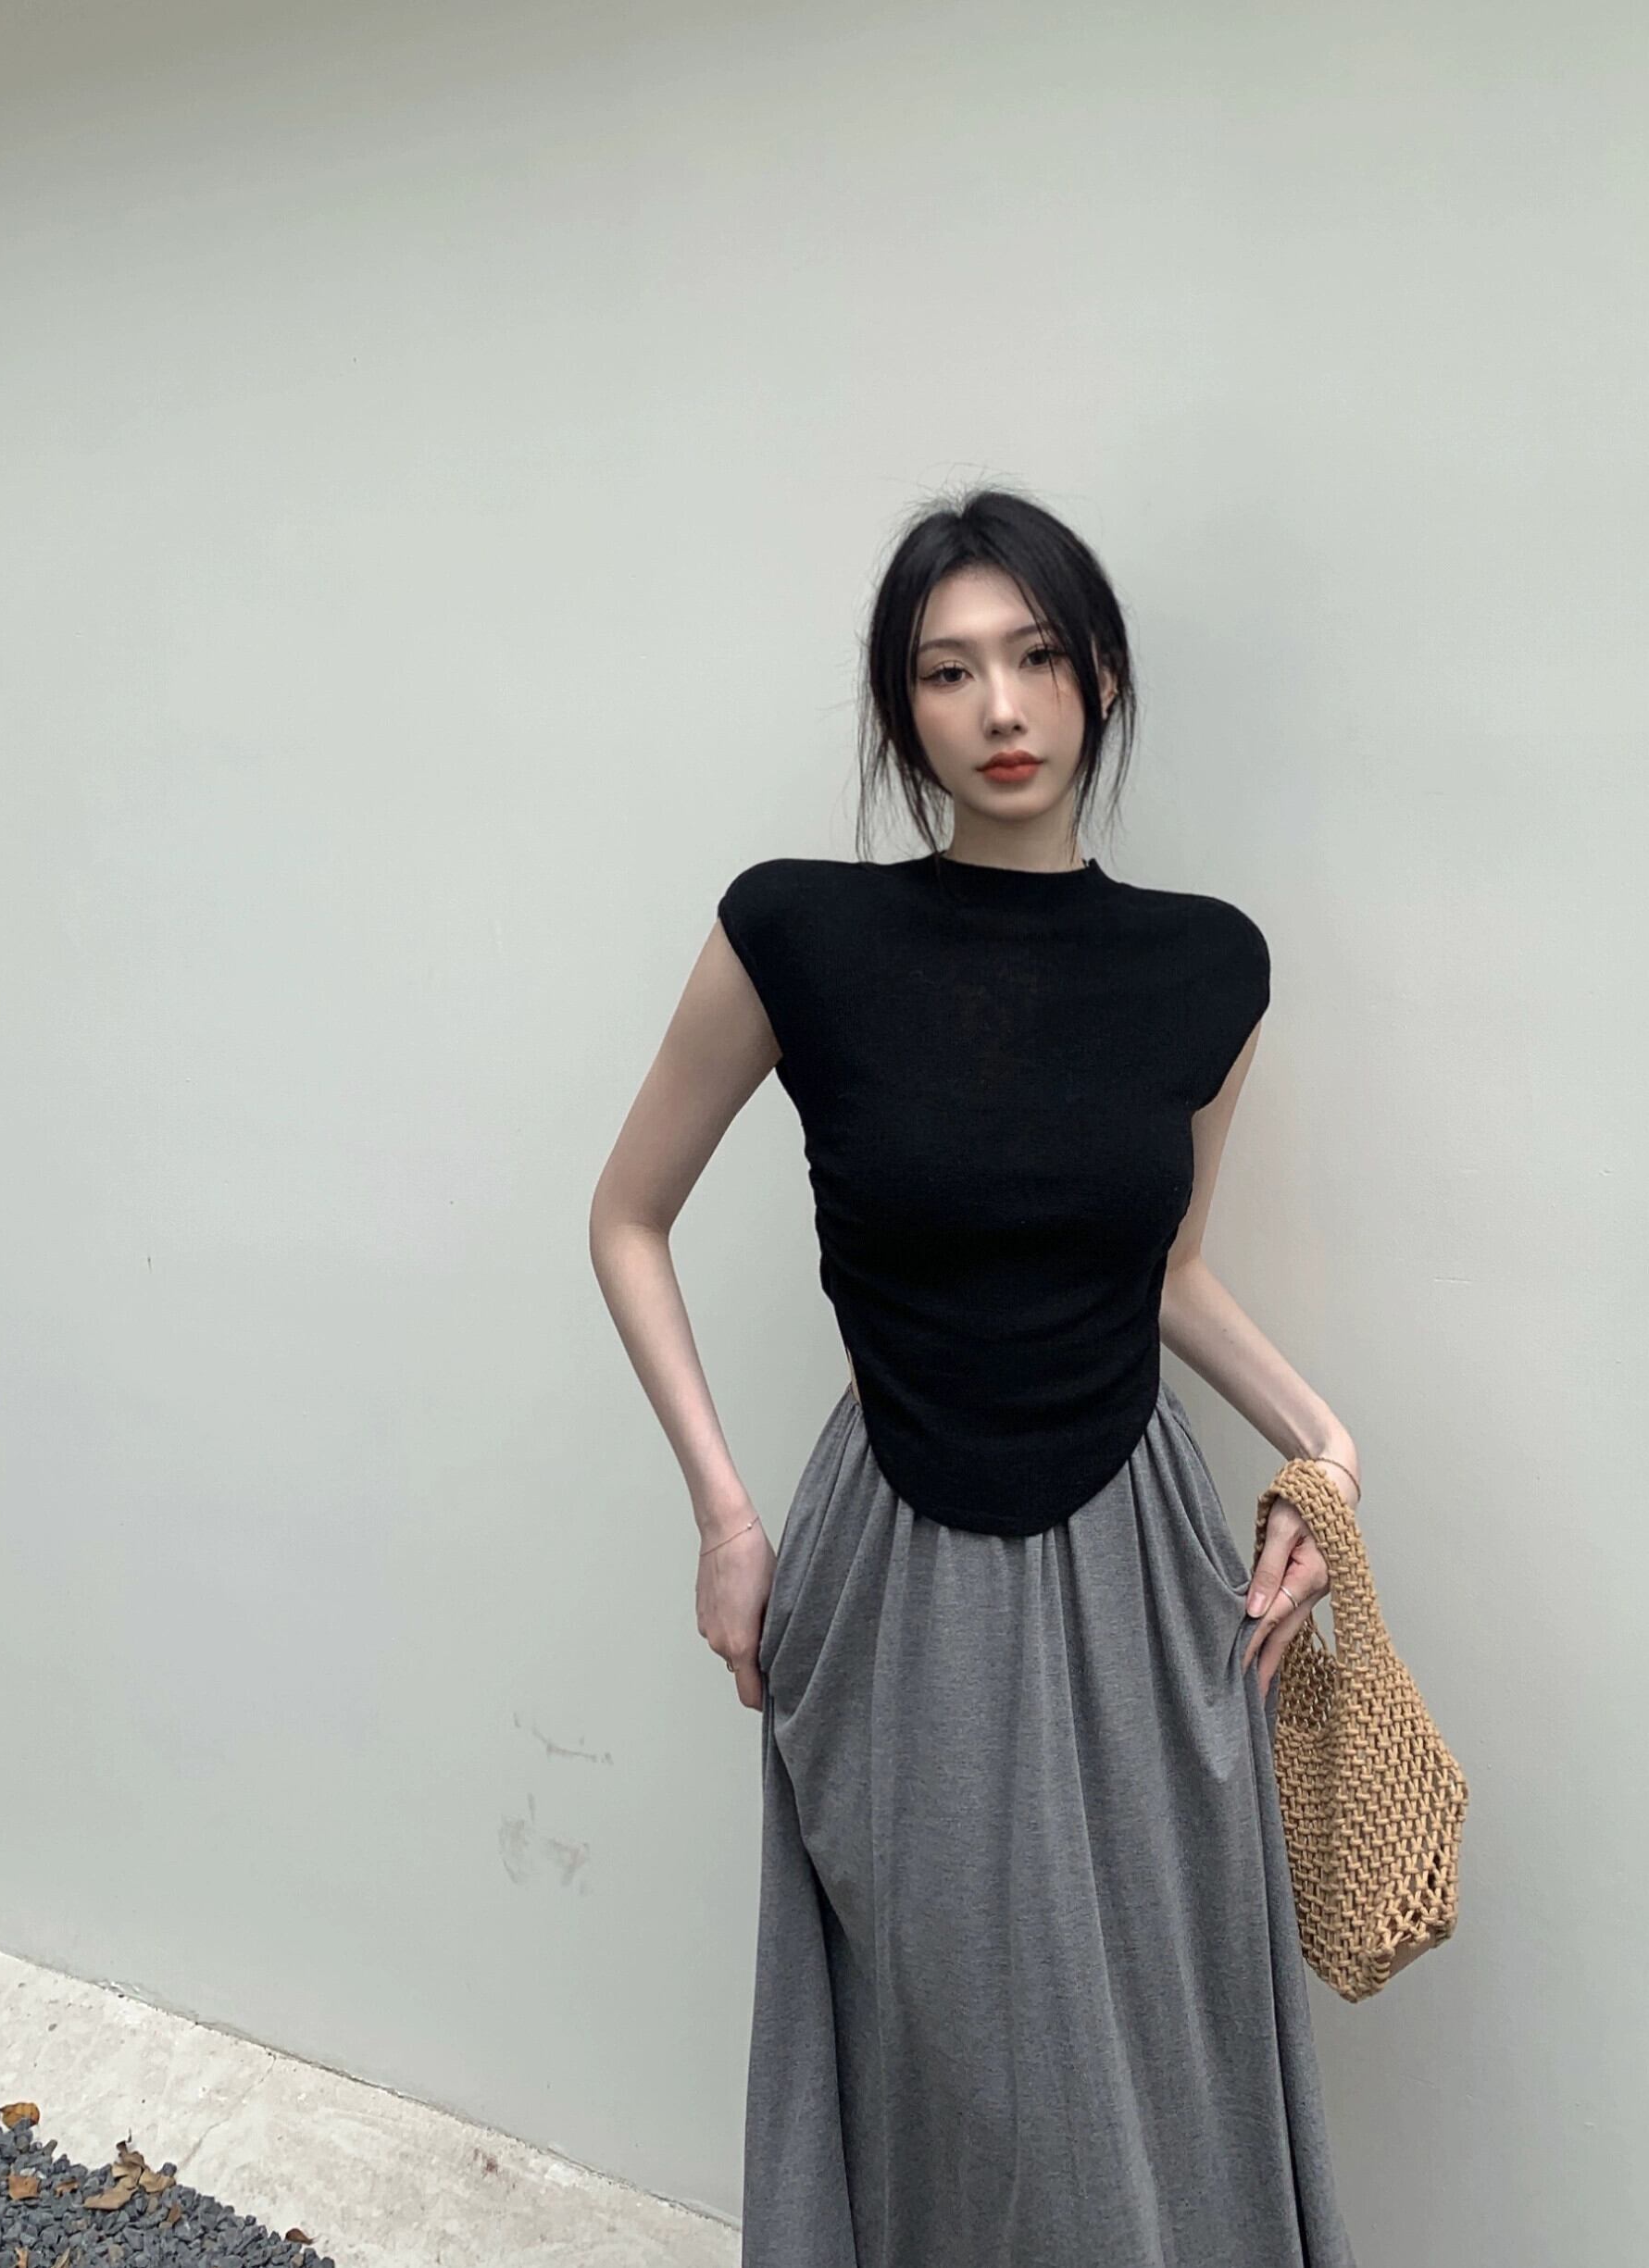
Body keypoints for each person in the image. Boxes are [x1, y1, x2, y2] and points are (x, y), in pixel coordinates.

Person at [588, 485, 1359, 2266]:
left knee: (1156, 2027)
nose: (999, 708)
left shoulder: (1206, 963)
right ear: (899, 706)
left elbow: (1162, 1267)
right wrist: (724, 1516)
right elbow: (627, 1218)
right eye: (946, 671)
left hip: (1144, 1569)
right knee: (954, 2059)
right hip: (893, 1562)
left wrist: (1324, 1449)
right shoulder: (797, 932)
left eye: (1035, 658)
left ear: (1101, 678)